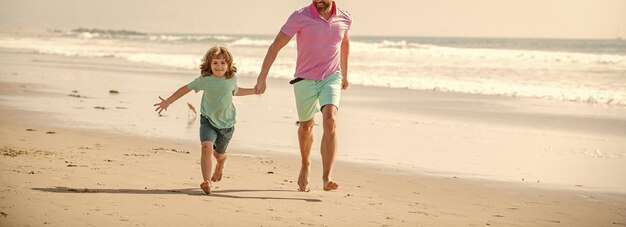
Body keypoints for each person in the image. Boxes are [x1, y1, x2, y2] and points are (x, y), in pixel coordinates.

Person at [255, 0, 352, 192]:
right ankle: (306, 164)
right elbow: (275, 46)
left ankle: (327, 177)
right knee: (306, 126)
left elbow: (345, 42)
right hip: (304, 80)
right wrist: (262, 77)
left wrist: (345, 74)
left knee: (330, 121)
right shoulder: (300, 16)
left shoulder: (344, 18)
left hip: (331, 77)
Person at [154, 45, 257, 194]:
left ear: (229, 65)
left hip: (227, 124)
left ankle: (220, 164)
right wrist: (168, 101)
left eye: (222, 63)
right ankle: (206, 181)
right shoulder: (204, 80)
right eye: (215, 62)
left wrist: (254, 91)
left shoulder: (231, 79)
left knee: (219, 155)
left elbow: (237, 91)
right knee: (206, 147)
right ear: (209, 64)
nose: (219, 66)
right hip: (207, 120)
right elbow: (186, 88)